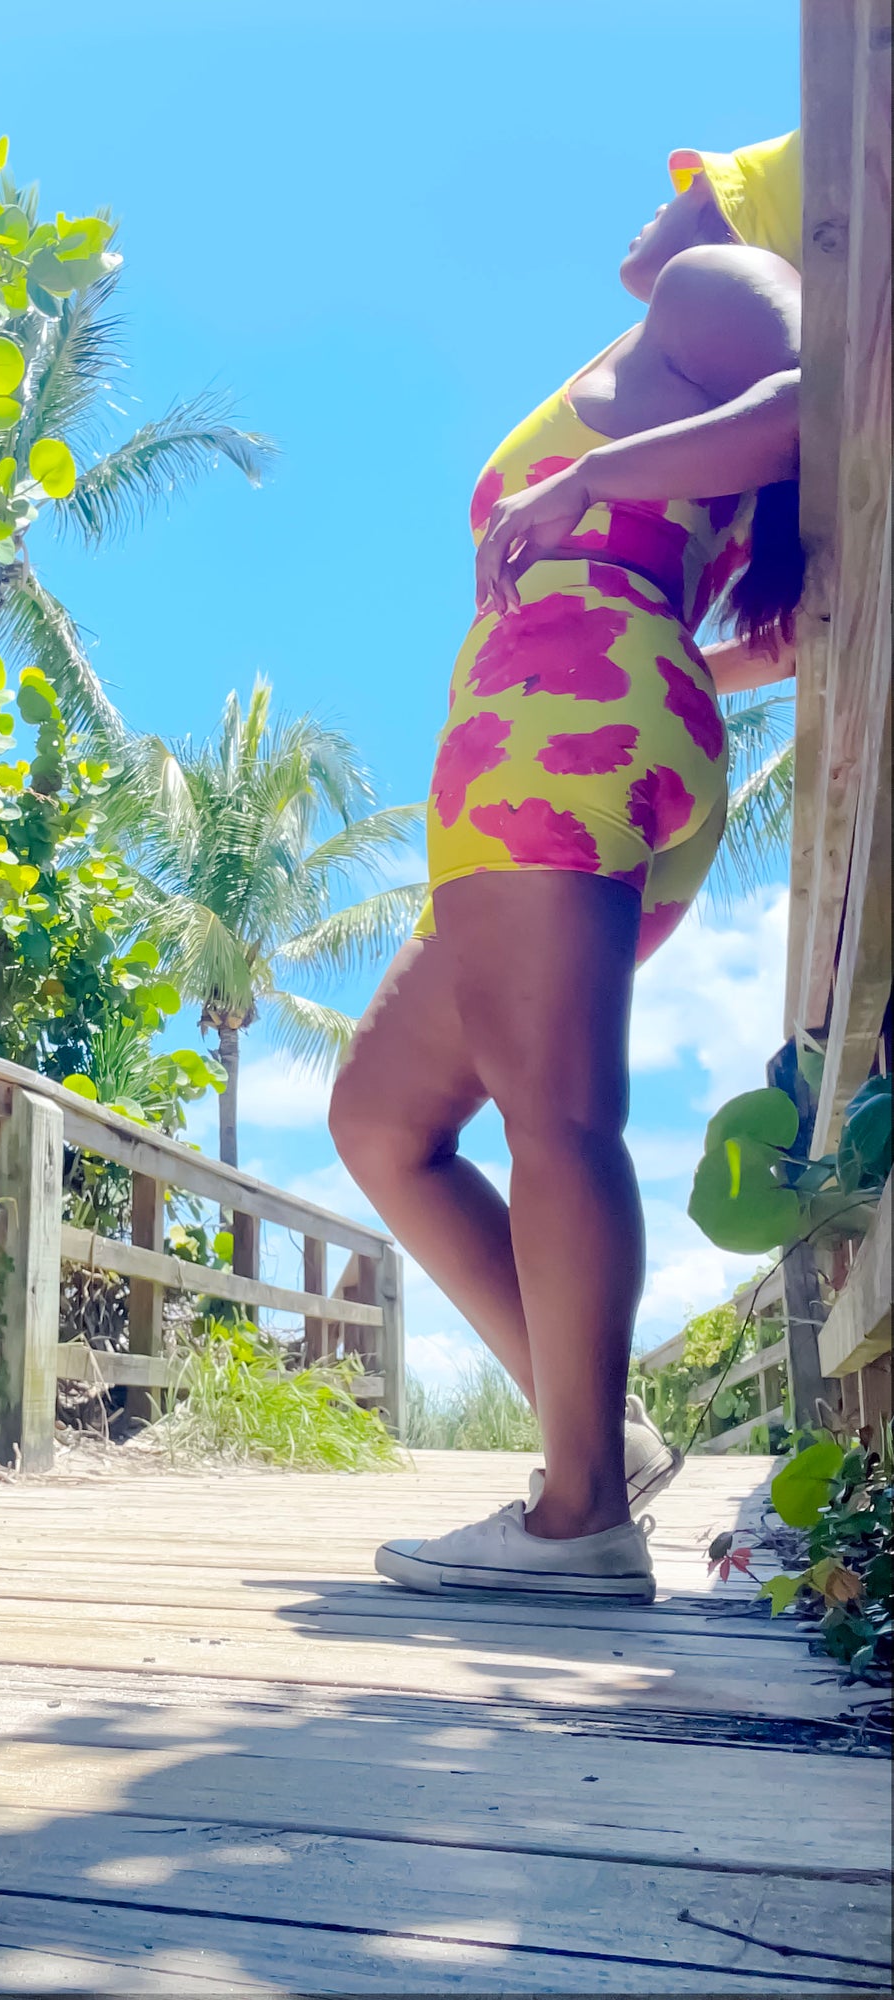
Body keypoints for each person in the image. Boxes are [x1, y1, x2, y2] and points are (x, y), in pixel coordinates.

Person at [329, 135, 803, 1602]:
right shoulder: (678, 331)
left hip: (555, 738)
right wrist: (678, 661)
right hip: (589, 722)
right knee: (381, 1116)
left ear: (740, 200)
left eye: (697, 172)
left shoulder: (729, 279)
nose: (667, 189)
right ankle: (603, 1438)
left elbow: (812, 404)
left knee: (557, 1117)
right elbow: (771, 633)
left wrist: (594, 471)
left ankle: (579, 1516)